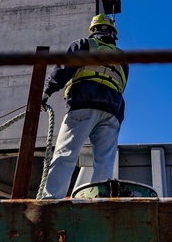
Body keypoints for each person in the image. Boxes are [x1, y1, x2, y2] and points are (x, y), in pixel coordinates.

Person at [40, 13, 129, 199]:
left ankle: (51, 199)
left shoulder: (84, 45)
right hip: (113, 110)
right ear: (112, 34)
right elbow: (121, 84)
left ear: (93, 31)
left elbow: (64, 69)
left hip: (84, 103)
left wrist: (46, 92)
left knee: (66, 153)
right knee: (104, 160)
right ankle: (100, 200)